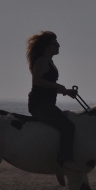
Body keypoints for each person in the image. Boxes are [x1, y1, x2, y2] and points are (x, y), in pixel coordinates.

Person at [26, 31, 77, 168]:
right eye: (54, 43)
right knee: (68, 126)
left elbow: (47, 86)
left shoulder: (50, 62)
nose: (58, 45)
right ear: (46, 46)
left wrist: (65, 91)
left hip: (47, 104)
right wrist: (58, 86)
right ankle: (64, 161)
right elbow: (36, 81)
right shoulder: (42, 60)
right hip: (39, 105)